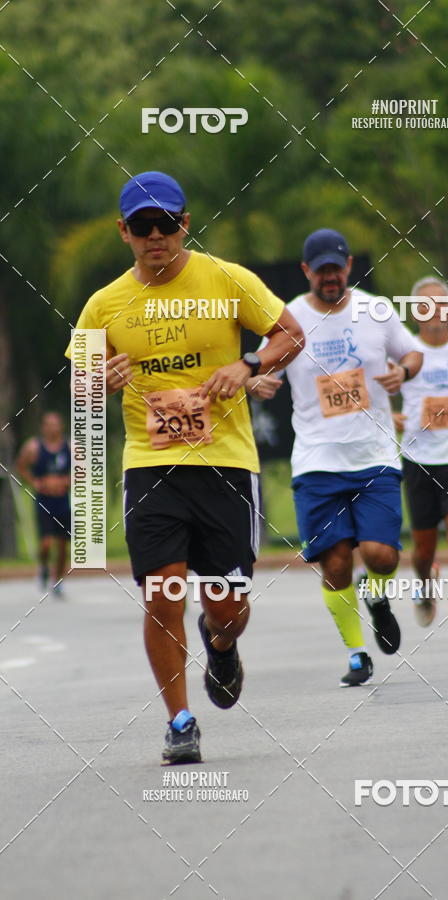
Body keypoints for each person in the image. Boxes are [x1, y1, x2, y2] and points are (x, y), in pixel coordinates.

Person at [66, 171, 304, 763]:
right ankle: (179, 720)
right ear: (123, 232)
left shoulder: (226, 279)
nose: (156, 236)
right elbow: (80, 390)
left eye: (166, 223)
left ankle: (220, 644)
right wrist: (99, 380)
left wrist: (249, 364)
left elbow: (290, 334)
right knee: (162, 592)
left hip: (226, 464)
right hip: (151, 467)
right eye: (142, 225)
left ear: (185, 224)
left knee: (227, 608)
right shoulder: (103, 305)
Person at [250, 228, 422, 686]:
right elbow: (258, 366)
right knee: (337, 563)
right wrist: (256, 381)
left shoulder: (375, 310)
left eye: (336, 268)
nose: (330, 277)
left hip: (375, 455)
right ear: (307, 270)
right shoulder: (291, 319)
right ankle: (356, 653)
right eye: (321, 270)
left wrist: (403, 372)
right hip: (317, 462)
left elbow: (412, 352)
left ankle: (377, 596)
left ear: (348, 267)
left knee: (382, 556)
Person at [395, 277, 448, 649]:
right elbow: (373, 393)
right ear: (415, 313)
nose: (434, 312)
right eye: (425, 305)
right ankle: (425, 581)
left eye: (442, 304)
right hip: (419, 458)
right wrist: (391, 418)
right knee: (423, 548)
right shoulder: (405, 352)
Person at [16, 411, 71, 597]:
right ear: (43, 427)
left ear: (61, 426)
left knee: (62, 544)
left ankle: (58, 581)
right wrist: (35, 482)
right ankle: (44, 567)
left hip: (63, 500)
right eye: (49, 425)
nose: (52, 428)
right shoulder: (34, 447)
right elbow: (21, 466)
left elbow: (83, 468)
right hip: (44, 500)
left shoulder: (70, 447)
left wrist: (66, 481)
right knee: (46, 543)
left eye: (56, 424)